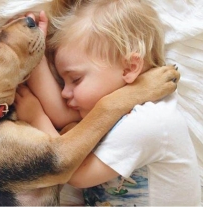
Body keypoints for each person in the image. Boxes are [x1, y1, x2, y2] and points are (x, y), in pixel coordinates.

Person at [15, 0, 201, 206]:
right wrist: (34, 49)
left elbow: (75, 173)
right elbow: (63, 115)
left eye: (76, 79)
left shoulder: (150, 121)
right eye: (63, 81)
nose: (65, 93)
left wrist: (37, 118)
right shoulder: (119, 110)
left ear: (129, 68)